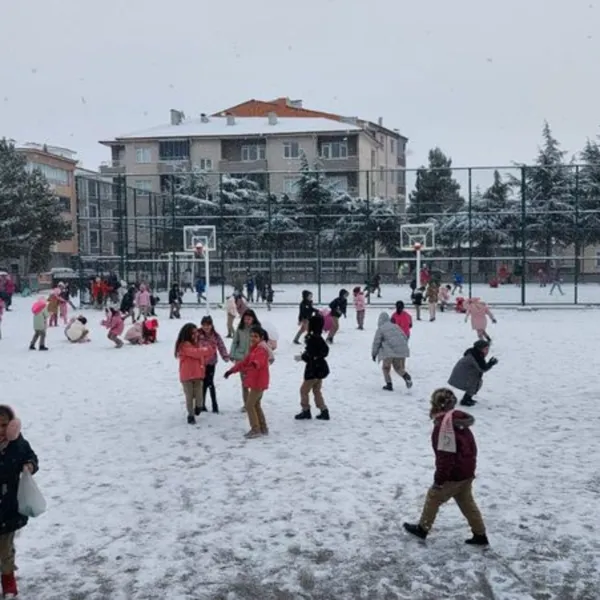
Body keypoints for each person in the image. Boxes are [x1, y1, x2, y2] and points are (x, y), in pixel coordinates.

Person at [402, 388, 488, 546]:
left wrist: (439, 480)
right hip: (466, 471)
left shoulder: (444, 427)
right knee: (466, 502)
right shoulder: (460, 421)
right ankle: (480, 534)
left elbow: (445, 457)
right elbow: (471, 447)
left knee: (433, 496)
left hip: (454, 474)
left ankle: (422, 528)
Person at [0, 405, 39, 597]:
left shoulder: (18, 445)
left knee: (5, 551)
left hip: (7, 510)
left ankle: (9, 585)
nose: (0, 430)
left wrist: (29, 466)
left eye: (4, 425)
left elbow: (31, 457)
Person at [225, 325, 271, 438]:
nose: (252, 338)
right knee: (256, 404)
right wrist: (231, 371)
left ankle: (256, 429)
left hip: (258, 383)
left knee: (249, 405)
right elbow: (243, 363)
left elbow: (258, 362)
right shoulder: (254, 349)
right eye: (251, 336)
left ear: (261, 338)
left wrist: (254, 364)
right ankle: (263, 427)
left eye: (255, 336)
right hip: (257, 382)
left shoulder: (261, 350)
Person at [175, 323, 215, 424]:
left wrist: (207, 355)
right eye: (193, 333)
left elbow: (202, 356)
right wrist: (207, 350)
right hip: (187, 376)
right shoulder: (183, 346)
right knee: (189, 396)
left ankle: (198, 406)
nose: (195, 335)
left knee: (199, 395)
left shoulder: (197, 344)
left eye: (196, 332)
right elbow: (196, 353)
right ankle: (191, 415)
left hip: (198, 374)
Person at [294, 314, 330, 421]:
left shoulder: (312, 339)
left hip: (313, 370)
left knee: (303, 390)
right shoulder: (319, 338)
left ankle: (306, 410)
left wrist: (302, 357)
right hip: (320, 369)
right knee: (317, 390)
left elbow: (310, 355)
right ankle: (323, 410)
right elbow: (324, 351)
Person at [448, 340, 498, 406]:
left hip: (462, 376)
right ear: (480, 349)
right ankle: (465, 400)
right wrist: (490, 364)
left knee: (477, 380)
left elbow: (481, 367)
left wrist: (489, 364)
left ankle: (468, 398)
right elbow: (482, 368)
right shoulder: (475, 356)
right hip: (460, 378)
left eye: (488, 349)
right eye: (485, 349)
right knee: (475, 382)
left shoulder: (475, 354)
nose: (487, 351)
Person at [371, 312, 412, 391]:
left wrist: (374, 354)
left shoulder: (381, 329)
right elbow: (404, 336)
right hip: (400, 349)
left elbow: (376, 342)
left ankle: (389, 384)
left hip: (388, 351)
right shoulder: (396, 326)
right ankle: (406, 376)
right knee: (398, 367)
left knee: (386, 368)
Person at [197, 315, 230, 414]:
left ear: (211, 325)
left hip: (211, 363)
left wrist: (225, 356)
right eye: (204, 325)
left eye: (208, 325)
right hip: (200, 363)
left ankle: (214, 405)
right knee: (202, 384)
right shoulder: (197, 334)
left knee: (210, 383)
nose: (206, 327)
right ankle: (201, 404)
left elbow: (221, 346)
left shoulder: (215, 335)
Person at [230, 309, 261, 411]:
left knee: (254, 384)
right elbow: (235, 342)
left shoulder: (257, 330)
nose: (247, 321)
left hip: (253, 360)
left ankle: (254, 403)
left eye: (249, 319)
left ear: (253, 319)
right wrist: (232, 354)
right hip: (241, 359)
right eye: (245, 319)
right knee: (244, 384)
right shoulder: (240, 329)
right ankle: (246, 405)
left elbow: (262, 344)